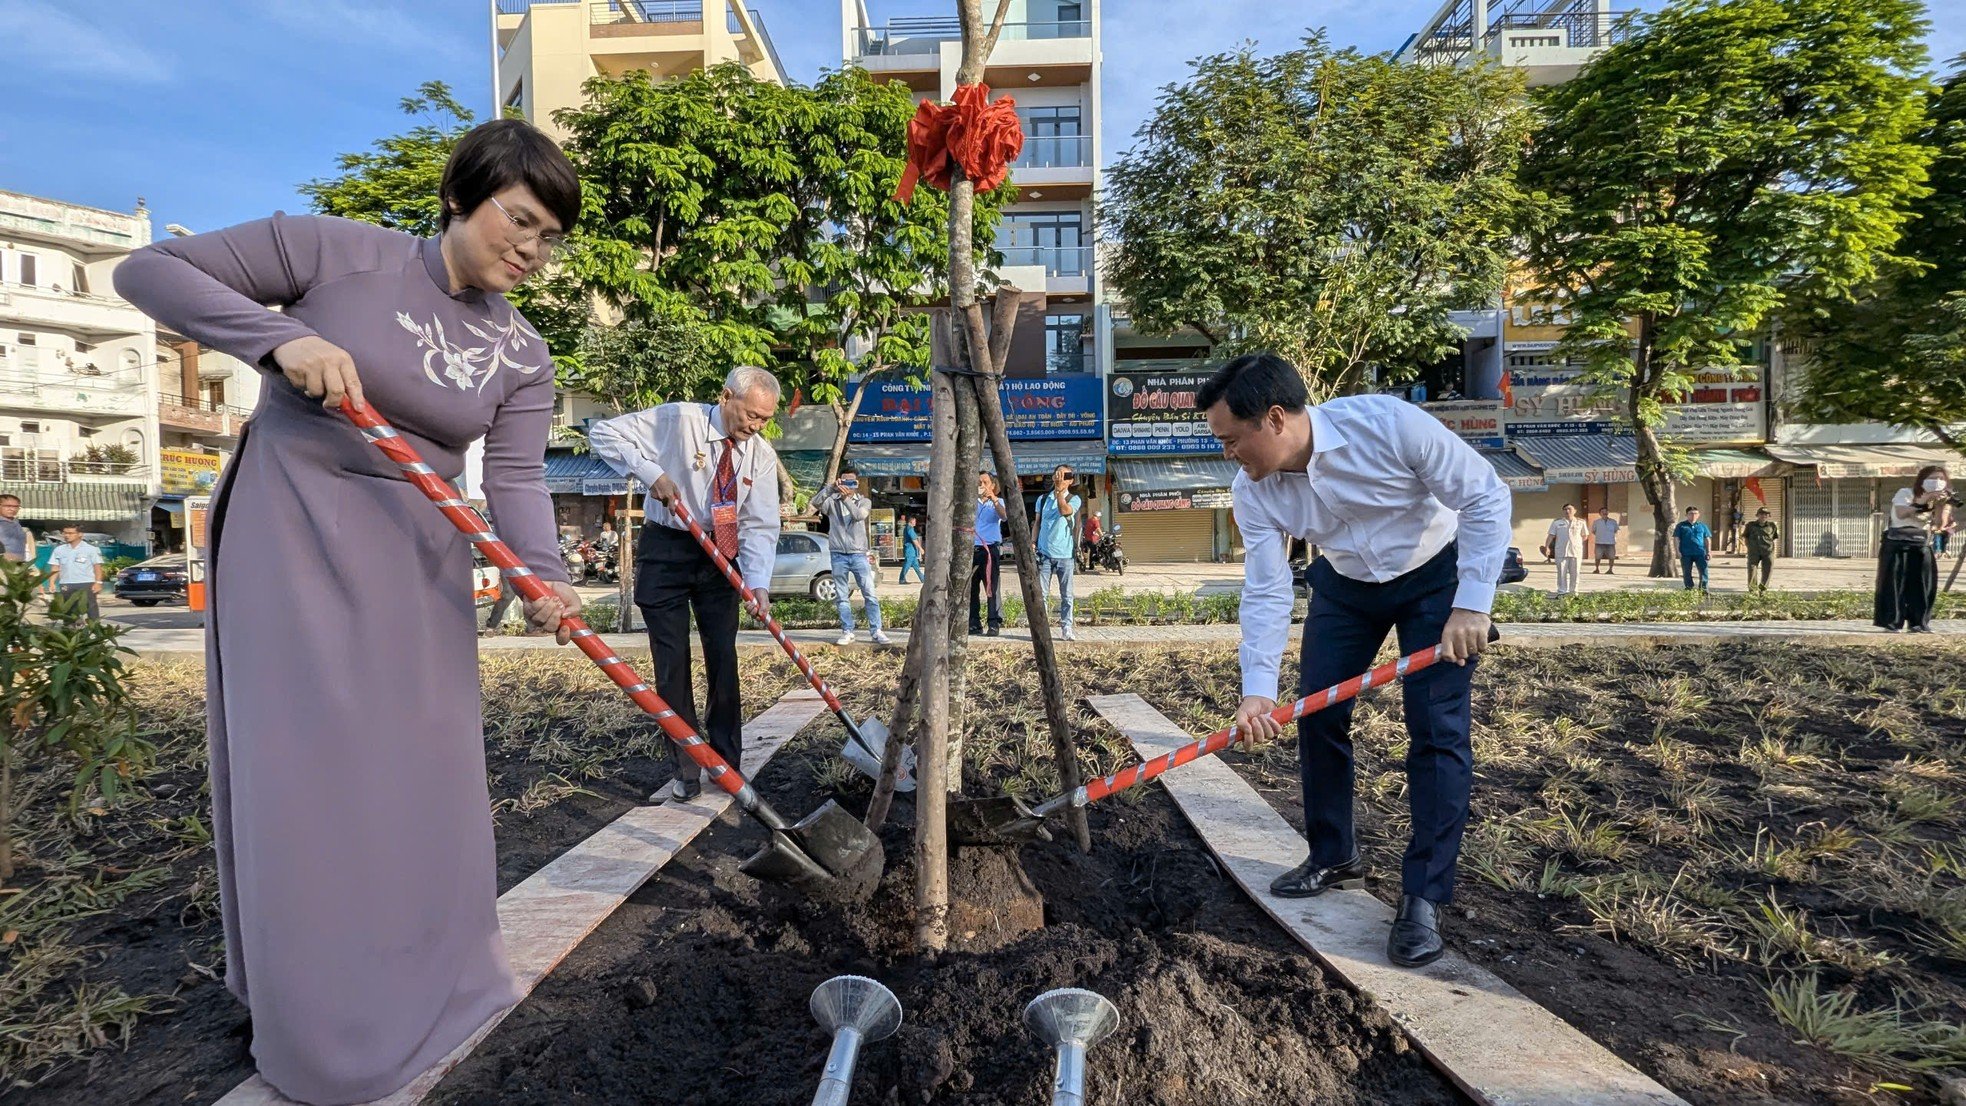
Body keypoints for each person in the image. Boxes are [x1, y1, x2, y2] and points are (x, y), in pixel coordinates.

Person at [112, 118, 582, 1104]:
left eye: (548, 238)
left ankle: (439, 983)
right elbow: (148, 274)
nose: (531, 251)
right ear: (462, 195)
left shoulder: (524, 351)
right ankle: (328, 1024)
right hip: (293, 529)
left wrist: (543, 572)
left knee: (425, 770)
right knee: (315, 775)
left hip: (418, 554)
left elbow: (518, 473)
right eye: (522, 221)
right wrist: (283, 337)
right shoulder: (331, 251)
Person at [1206, 353, 1508, 970]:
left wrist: (1472, 604)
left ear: (1274, 419)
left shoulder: (1390, 426)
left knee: (1435, 730)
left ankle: (1423, 896)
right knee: (1318, 713)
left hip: (1435, 580)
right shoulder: (1252, 492)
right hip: (1344, 584)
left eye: (1232, 441)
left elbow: (1484, 496)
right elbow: (1265, 588)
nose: (1229, 454)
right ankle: (1333, 855)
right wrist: (1258, 688)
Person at [590, 366, 783, 797]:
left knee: (723, 657)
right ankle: (686, 767)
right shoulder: (678, 420)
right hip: (667, 548)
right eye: (750, 415)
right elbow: (603, 434)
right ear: (725, 396)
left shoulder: (761, 456)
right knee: (672, 662)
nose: (754, 426)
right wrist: (650, 473)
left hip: (721, 554)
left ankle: (727, 765)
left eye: (764, 420)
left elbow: (760, 525)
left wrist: (758, 585)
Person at [811, 467, 888, 646]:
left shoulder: (864, 502)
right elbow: (815, 504)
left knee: (869, 593)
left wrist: (846, 499)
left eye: (851, 482)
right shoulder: (831, 501)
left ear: (857, 483)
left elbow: (859, 516)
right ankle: (847, 631)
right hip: (838, 554)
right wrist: (830, 489)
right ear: (840, 481)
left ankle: (876, 630)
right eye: (844, 481)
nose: (848, 485)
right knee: (842, 596)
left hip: (859, 554)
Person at [1875, 464, 1949, 634]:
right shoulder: (1905, 493)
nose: (1937, 482)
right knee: (1894, 583)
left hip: (1921, 544)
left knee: (1923, 584)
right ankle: (1892, 622)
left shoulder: (1939, 499)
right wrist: (1923, 501)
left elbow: (1939, 525)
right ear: (1922, 479)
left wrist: (1941, 506)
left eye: (1941, 479)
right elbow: (1901, 513)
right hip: (1896, 544)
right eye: (1932, 478)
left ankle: (1919, 623)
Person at [1035, 463, 1082, 640]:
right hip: (1044, 554)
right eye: (1057, 474)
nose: (1059, 478)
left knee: (1067, 595)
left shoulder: (1074, 499)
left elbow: (1064, 511)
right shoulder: (1043, 499)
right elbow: (1037, 523)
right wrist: (1033, 541)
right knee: (1042, 595)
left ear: (1070, 480)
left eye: (1064, 476)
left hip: (1065, 555)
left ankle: (1066, 627)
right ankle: (1043, 628)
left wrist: (1060, 493)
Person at [969, 472, 1006, 636]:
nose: (981, 485)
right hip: (971, 549)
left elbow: (1004, 516)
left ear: (992, 485)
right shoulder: (970, 502)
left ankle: (993, 622)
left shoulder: (998, 502)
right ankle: (974, 623)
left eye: (985, 482)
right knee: (970, 589)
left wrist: (993, 499)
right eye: (979, 482)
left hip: (989, 549)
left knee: (991, 587)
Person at [46, 525, 104, 620]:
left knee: (91, 607)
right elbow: (55, 568)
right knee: (68, 609)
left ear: (80, 534)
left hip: (86, 583)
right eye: (65, 533)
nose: (67, 535)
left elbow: (97, 567)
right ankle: (70, 630)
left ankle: (96, 629)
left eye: (70, 533)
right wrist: (52, 583)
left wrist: (98, 583)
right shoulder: (59, 550)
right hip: (66, 584)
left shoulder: (91, 549)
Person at [1543, 504, 1589, 596]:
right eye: (1565, 509)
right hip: (1561, 551)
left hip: (1575, 551)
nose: (1567, 511)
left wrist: (1576, 543)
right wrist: (1547, 546)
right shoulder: (1557, 522)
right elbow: (1551, 535)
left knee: (1575, 573)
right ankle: (1562, 591)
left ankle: (1574, 592)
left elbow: (1585, 536)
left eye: (1569, 509)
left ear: (1575, 510)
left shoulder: (1581, 522)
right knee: (1561, 573)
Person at [1673, 507, 1711, 592]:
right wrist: (1677, 551)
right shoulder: (1681, 526)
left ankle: (1704, 590)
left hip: (1700, 553)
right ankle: (1689, 589)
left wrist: (1709, 552)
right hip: (1686, 553)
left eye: (1695, 513)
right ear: (1686, 515)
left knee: (1704, 571)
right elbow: (1676, 539)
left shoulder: (1702, 526)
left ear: (1698, 515)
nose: (1693, 515)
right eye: (1691, 513)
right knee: (1686, 572)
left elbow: (1707, 539)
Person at [1744, 508, 1780, 591]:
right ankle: (1752, 591)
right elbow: (1746, 537)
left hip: (1768, 552)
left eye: (1766, 514)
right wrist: (1749, 547)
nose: (1763, 516)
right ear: (1757, 515)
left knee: (1768, 570)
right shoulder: (1750, 525)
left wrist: (1772, 550)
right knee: (1752, 570)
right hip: (1754, 552)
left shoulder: (1772, 526)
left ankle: (1763, 589)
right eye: (1761, 514)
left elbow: (1774, 538)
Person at [0, 495, 35, 564]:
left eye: (16, 507)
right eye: (8, 506)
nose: (12, 509)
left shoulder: (16, 523)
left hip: (19, 565)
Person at [1590, 509, 1619, 574]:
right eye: (1602, 512)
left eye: (1606, 512)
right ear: (1599, 513)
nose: (1604, 513)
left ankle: (1610, 569)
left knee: (1611, 556)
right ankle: (1597, 569)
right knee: (1598, 556)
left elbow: (1616, 530)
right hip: (1599, 542)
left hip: (1610, 542)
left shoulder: (1613, 522)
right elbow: (1594, 531)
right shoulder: (1596, 522)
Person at [898, 514, 922, 583]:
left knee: (916, 566)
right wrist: (920, 548)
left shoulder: (908, 528)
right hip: (910, 550)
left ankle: (923, 579)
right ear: (911, 521)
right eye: (915, 521)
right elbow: (914, 540)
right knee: (907, 565)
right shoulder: (909, 529)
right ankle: (902, 579)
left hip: (912, 550)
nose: (915, 523)